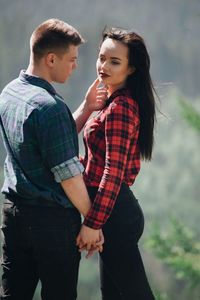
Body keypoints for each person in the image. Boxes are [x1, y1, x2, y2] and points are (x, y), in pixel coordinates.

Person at [0, 18, 106, 300]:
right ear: (50, 59)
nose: (75, 66)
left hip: (13, 214)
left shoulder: (9, 93)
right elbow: (69, 175)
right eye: (71, 59)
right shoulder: (51, 107)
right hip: (51, 223)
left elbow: (44, 143)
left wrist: (85, 108)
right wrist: (93, 222)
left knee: (14, 294)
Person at [76, 27, 156, 299]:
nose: (103, 66)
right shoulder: (109, 103)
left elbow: (112, 173)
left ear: (131, 69)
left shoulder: (121, 107)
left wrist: (93, 223)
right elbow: (97, 163)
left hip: (115, 216)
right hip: (109, 212)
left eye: (114, 61)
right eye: (101, 58)